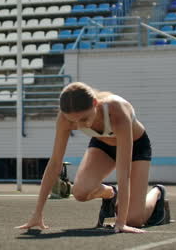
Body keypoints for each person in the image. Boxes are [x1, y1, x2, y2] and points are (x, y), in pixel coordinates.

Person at [17, 82, 168, 233]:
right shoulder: (65, 119)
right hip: (102, 145)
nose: (78, 125)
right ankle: (110, 194)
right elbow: (55, 162)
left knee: (134, 219)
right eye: (72, 121)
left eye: (83, 119)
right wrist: (37, 213)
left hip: (136, 146)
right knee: (80, 192)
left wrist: (121, 222)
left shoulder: (117, 111)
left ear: (95, 103)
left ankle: (158, 192)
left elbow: (124, 171)